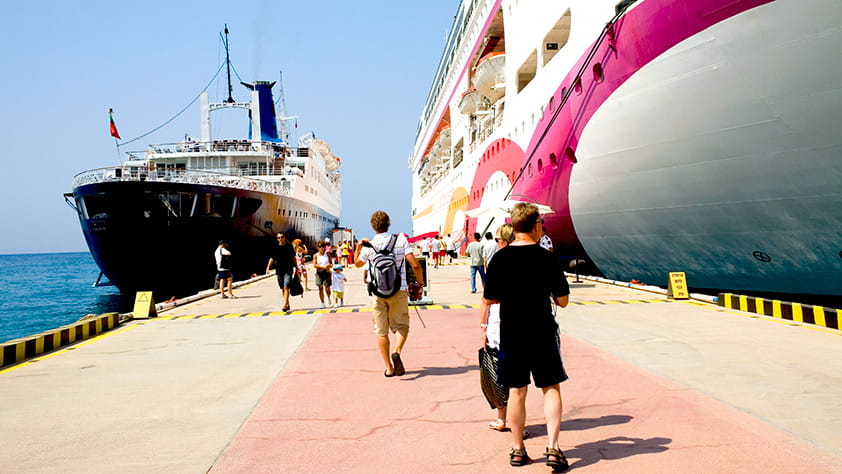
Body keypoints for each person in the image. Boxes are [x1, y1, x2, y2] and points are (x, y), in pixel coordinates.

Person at [481, 202, 570, 469]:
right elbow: (563, 301)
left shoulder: (500, 258)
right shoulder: (547, 258)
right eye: (541, 224)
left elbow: (489, 297)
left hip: (512, 333)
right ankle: (553, 449)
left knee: (516, 391)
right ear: (534, 226)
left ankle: (518, 449)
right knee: (550, 388)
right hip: (542, 330)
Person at [354, 210, 424, 378]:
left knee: (381, 331)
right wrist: (420, 283)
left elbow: (357, 264)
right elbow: (415, 265)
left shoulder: (369, 245)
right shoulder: (400, 240)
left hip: (378, 292)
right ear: (389, 223)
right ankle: (397, 352)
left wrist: (357, 247)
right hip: (398, 290)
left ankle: (388, 368)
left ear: (373, 226)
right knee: (402, 326)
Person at [265, 232, 297, 311]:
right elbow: (272, 258)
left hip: (288, 269)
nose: (280, 239)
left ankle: (285, 305)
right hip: (279, 270)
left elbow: (293, 257)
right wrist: (268, 267)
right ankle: (287, 304)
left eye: (281, 237)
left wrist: (296, 266)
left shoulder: (289, 246)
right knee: (283, 288)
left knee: (286, 287)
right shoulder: (275, 247)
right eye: (278, 238)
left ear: (284, 237)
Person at [313, 241, 333, 308]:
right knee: (320, 288)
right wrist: (322, 267)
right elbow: (314, 264)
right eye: (320, 246)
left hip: (327, 272)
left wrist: (329, 266)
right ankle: (322, 302)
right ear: (317, 247)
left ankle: (329, 298)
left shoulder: (327, 254)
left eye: (323, 246)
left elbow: (331, 263)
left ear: (325, 247)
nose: (321, 248)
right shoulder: (316, 255)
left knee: (327, 288)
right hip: (319, 272)